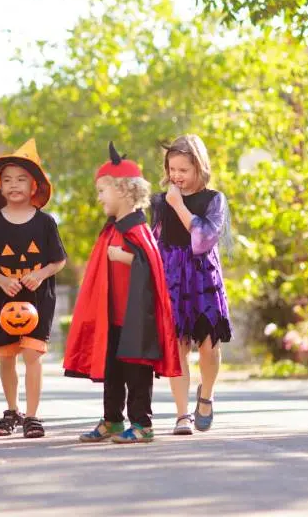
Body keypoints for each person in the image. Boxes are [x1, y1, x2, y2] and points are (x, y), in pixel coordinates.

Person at [64, 142, 181, 443]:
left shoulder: (137, 230)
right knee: (112, 369)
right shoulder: (112, 229)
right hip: (113, 315)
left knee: (136, 371)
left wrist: (128, 258)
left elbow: (153, 269)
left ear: (124, 191)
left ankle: (142, 424)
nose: (99, 197)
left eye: (103, 190)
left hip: (136, 319)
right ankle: (112, 420)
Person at [0, 139, 66, 438]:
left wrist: (41, 273)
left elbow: (59, 261)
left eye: (21, 179)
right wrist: (0, 279)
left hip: (38, 297)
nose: (14, 185)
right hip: (3, 298)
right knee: (7, 356)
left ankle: (33, 416)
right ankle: (12, 409)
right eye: (7, 179)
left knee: (32, 355)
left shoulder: (46, 223)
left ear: (34, 186)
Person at [151, 134, 232, 434]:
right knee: (178, 346)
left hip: (202, 277)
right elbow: (155, 242)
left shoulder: (214, 200)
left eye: (183, 170)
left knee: (209, 346)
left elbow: (203, 240)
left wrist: (179, 206)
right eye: (172, 169)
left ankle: (206, 396)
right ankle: (181, 413)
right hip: (173, 278)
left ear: (199, 167)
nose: (176, 176)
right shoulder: (161, 202)